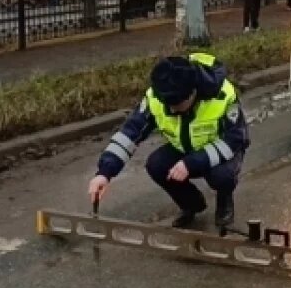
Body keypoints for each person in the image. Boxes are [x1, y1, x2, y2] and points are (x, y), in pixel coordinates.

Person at [88, 54, 248, 229]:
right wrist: (104, 172)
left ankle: (224, 201)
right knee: (156, 165)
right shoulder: (157, 97)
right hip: (184, 147)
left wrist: (191, 163)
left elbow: (234, 140)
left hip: (220, 150)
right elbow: (130, 133)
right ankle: (191, 205)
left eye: (177, 105)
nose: (171, 109)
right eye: (168, 104)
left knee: (222, 176)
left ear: (193, 93)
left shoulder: (223, 95)